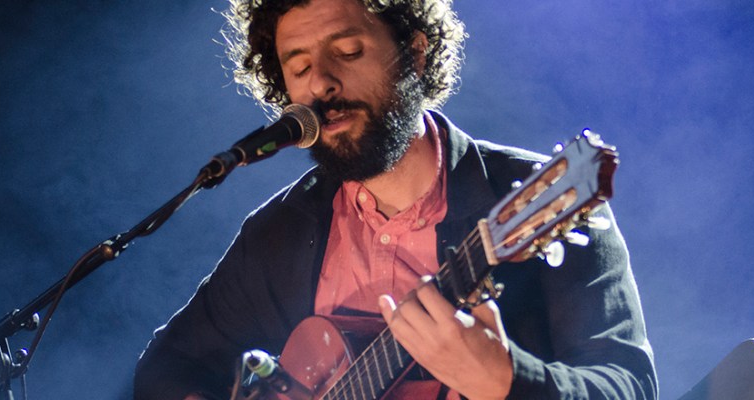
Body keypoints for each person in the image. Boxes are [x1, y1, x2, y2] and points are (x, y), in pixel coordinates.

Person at [134, 0, 657, 398]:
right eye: (298, 66)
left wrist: (509, 379)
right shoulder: (278, 233)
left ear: (414, 51)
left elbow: (627, 383)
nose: (321, 82)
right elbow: (167, 365)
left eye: (348, 52)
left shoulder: (529, 195)